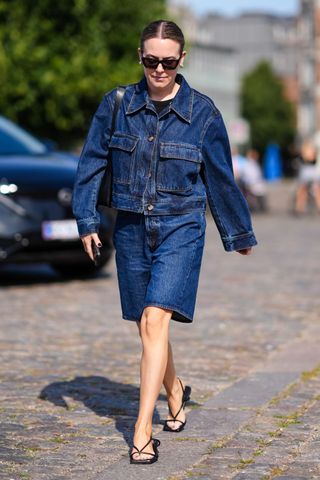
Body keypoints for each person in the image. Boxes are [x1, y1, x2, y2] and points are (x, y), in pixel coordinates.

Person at [72, 19, 257, 465]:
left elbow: (219, 178)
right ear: (140, 57)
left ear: (182, 59)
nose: (159, 69)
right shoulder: (117, 104)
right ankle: (174, 390)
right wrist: (86, 219)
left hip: (181, 229)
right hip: (131, 229)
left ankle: (141, 432)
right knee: (146, 324)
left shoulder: (204, 114)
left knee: (156, 319)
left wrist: (238, 232)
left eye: (168, 62)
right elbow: (92, 162)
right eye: (152, 60)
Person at [294, 139, 320, 214]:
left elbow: (311, 159)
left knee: (314, 190)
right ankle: (299, 208)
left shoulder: (311, 151)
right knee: (303, 190)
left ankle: (299, 208)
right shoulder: (307, 150)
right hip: (308, 170)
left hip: (309, 170)